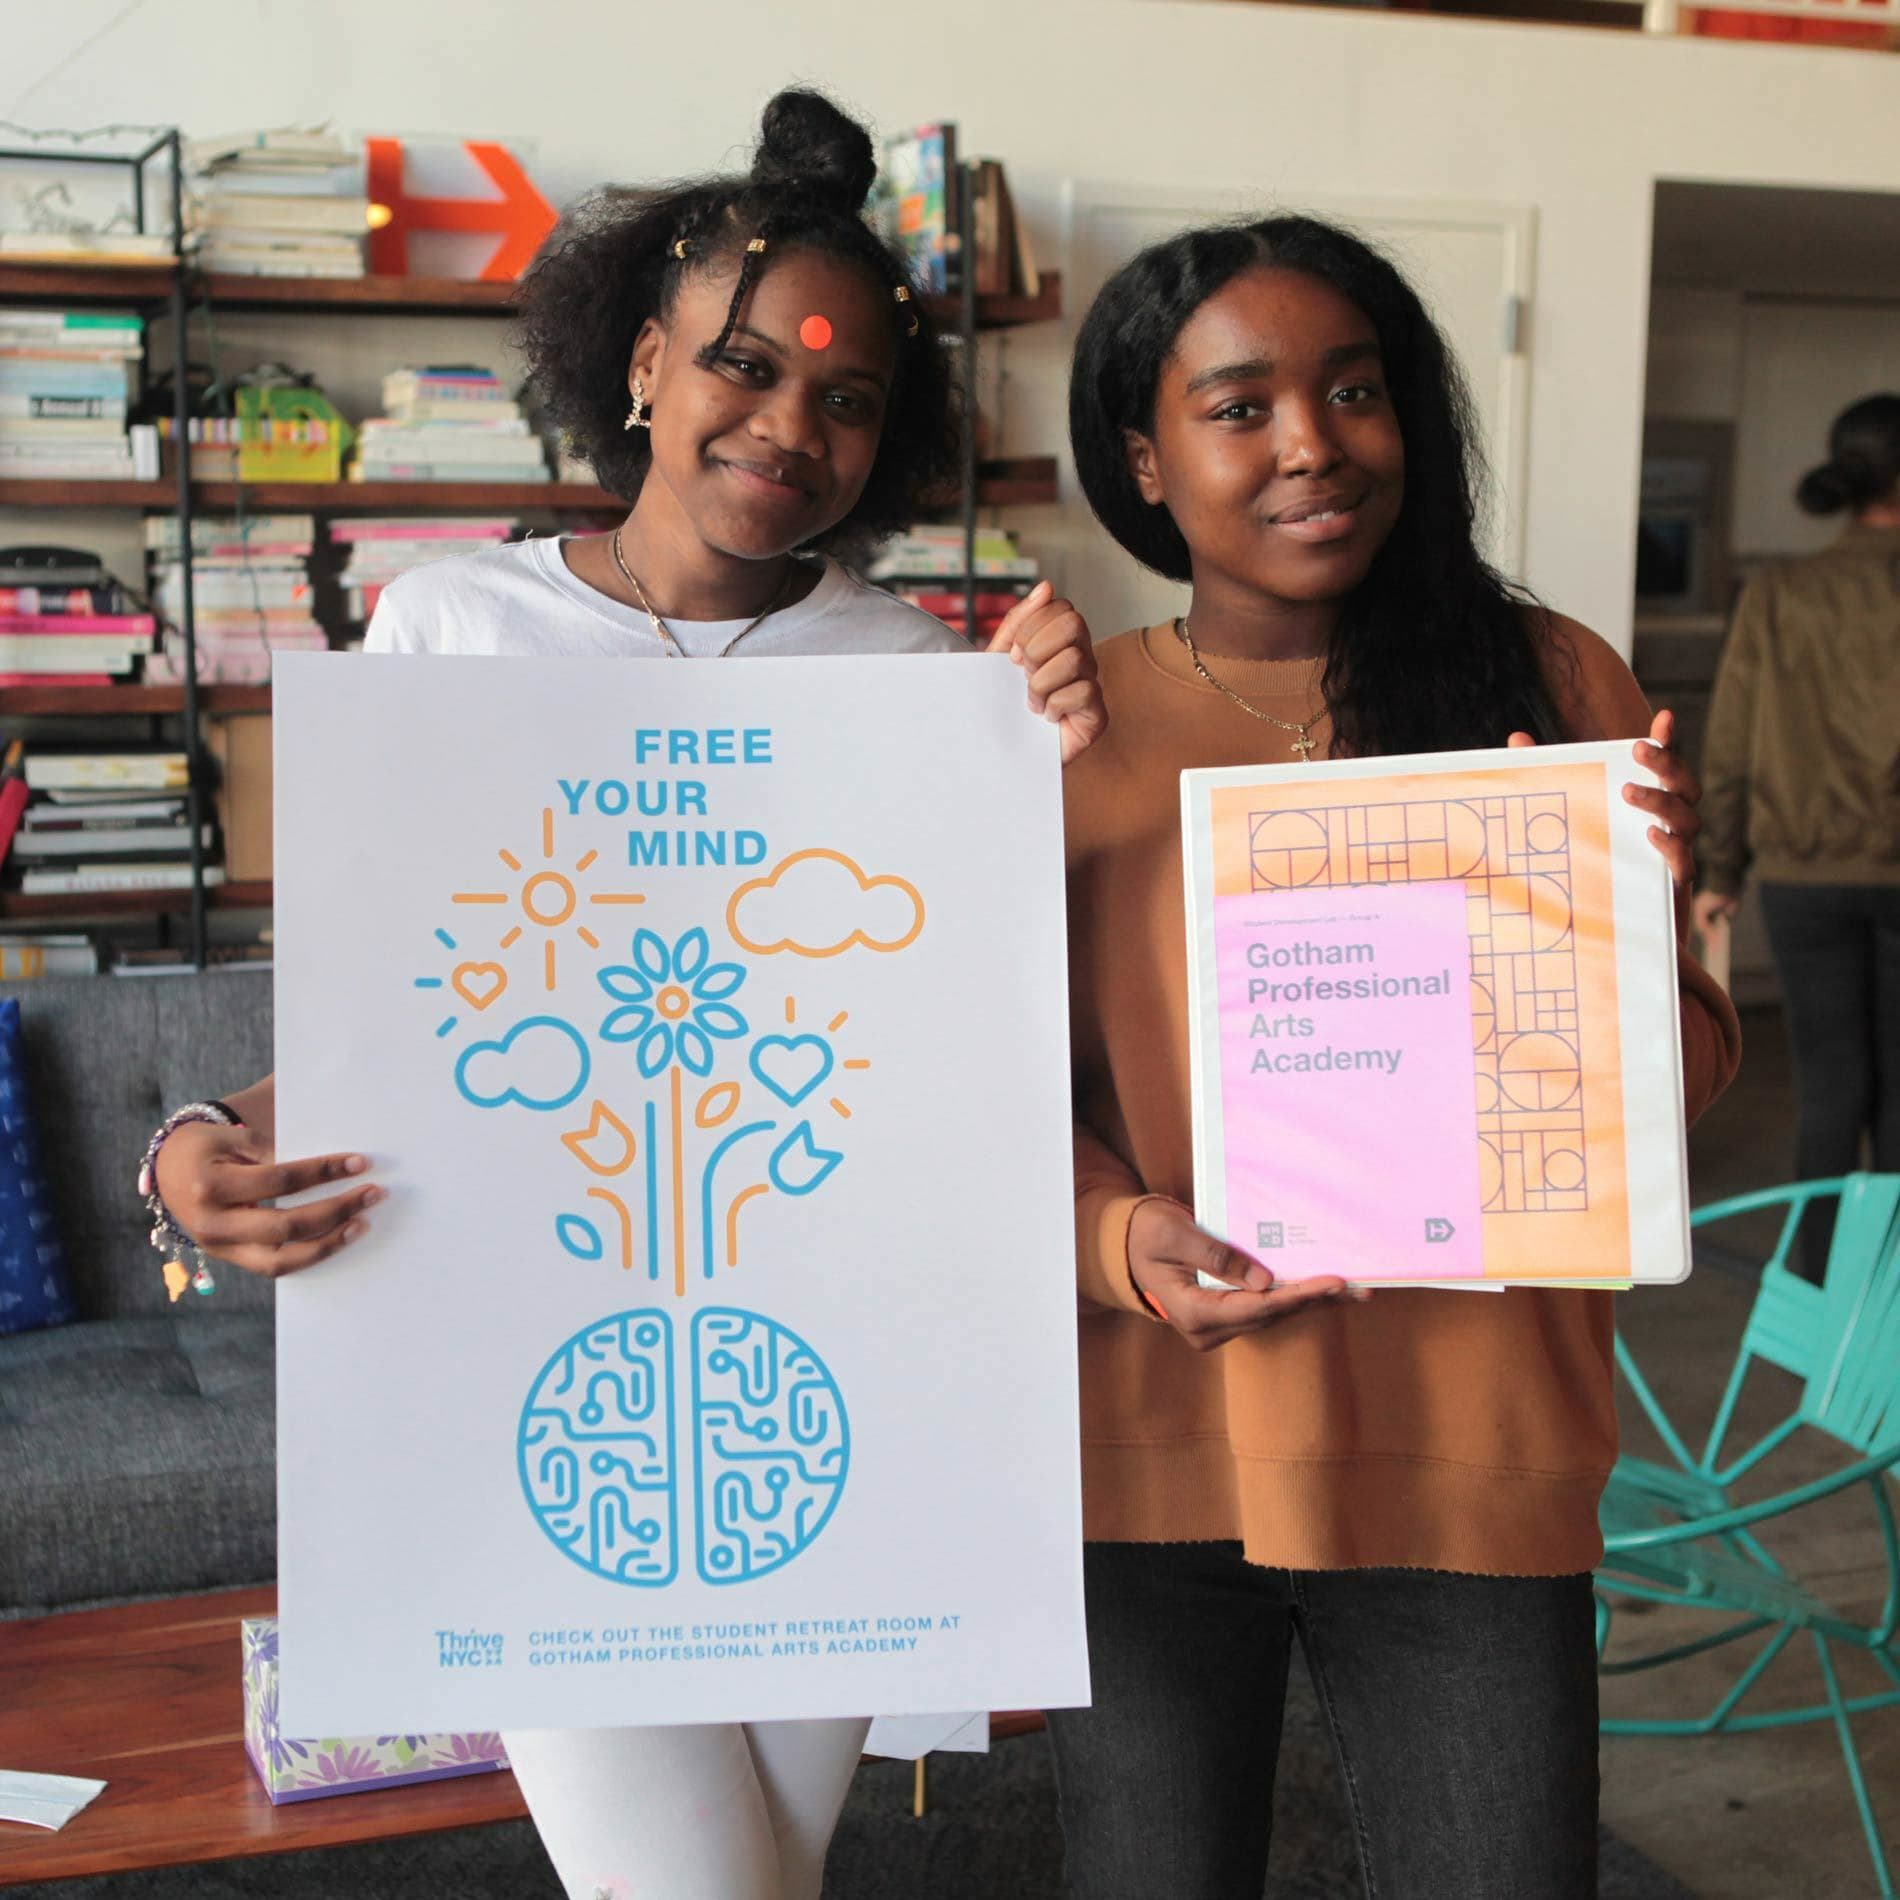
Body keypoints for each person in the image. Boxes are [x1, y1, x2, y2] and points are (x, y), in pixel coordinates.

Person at [141, 89, 1104, 1900]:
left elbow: (945, 1040)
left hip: (834, 1384)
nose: (791, 423)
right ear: (647, 366)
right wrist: (197, 1143)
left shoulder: (917, 677)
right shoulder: (452, 631)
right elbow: (403, 1021)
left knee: (766, 1878)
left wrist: (1036, 774)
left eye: (848, 396)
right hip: (522, 1377)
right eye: (745, 364)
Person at [1052, 214, 1741, 1900]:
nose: (1313, 444)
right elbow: (982, 1097)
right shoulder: (1064, 728)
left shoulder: (1548, 677)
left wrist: (1632, 927)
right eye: (1241, 407)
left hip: (1467, 1447)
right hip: (1147, 1448)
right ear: (1142, 459)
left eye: (1354, 392)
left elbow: (1673, 1086)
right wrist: (1113, 1240)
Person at [1696, 392, 1900, 1279]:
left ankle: (1821, 1290)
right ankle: (1887, 1301)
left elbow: (1732, 740)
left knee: (1830, 1089)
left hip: (1803, 880)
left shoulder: (1780, 593)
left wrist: (1719, 869)